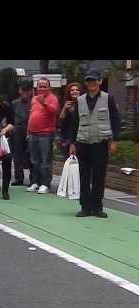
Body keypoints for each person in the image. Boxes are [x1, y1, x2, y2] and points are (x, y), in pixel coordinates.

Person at [69, 69, 121, 218]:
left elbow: (115, 119)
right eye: (89, 81)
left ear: (99, 82)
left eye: (94, 80)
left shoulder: (108, 98)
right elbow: (75, 122)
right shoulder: (79, 100)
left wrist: (114, 139)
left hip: (101, 143)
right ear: (86, 83)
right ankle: (85, 206)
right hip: (83, 143)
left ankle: (97, 206)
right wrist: (72, 143)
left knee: (99, 176)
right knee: (84, 176)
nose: (92, 83)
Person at [26, 77, 59, 195]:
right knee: (34, 160)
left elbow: (54, 111)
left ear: (49, 87)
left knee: (45, 160)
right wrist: (28, 132)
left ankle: (45, 184)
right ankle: (35, 182)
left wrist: (44, 103)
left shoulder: (52, 98)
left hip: (45, 133)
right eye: (40, 86)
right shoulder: (34, 99)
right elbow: (31, 115)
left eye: (44, 86)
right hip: (32, 133)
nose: (42, 88)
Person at [11, 81, 32, 186]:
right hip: (17, 129)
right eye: (22, 90)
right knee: (17, 154)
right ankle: (19, 178)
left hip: (30, 129)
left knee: (31, 154)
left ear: (30, 91)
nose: (23, 93)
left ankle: (33, 178)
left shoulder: (34, 102)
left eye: (26, 91)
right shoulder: (15, 103)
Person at [59, 82, 82, 158]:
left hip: (79, 137)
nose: (75, 91)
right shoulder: (66, 104)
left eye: (77, 90)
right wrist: (65, 108)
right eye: (72, 90)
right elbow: (61, 120)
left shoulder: (83, 104)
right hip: (67, 137)